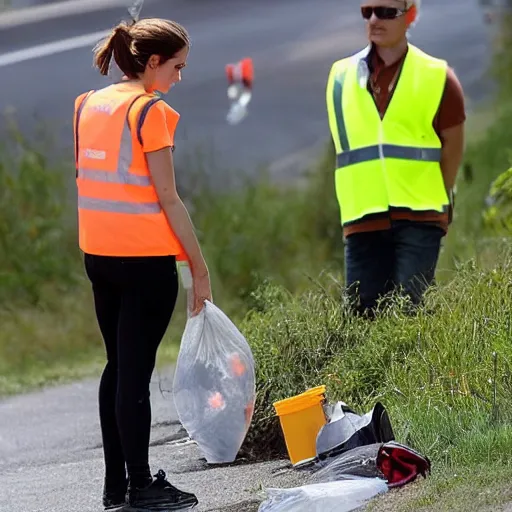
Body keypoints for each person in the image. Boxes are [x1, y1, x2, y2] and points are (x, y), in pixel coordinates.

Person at [73, 17, 212, 511]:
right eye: (177, 67)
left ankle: (116, 486)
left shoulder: (87, 105)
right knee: (135, 375)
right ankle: (140, 487)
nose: (178, 77)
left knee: (117, 368)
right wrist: (198, 268)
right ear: (152, 63)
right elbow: (170, 199)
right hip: (144, 261)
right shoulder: (150, 111)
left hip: (99, 256)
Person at [326, 0, 466, 317]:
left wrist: (439, 194)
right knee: (362, 321)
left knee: (408, 316)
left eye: (387, 12)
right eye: (368, 12)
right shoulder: (339, 76)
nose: (375, 19)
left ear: (411, 15)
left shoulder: (438, 77)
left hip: (421, 216)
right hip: (362, 217)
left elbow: (452, 146)